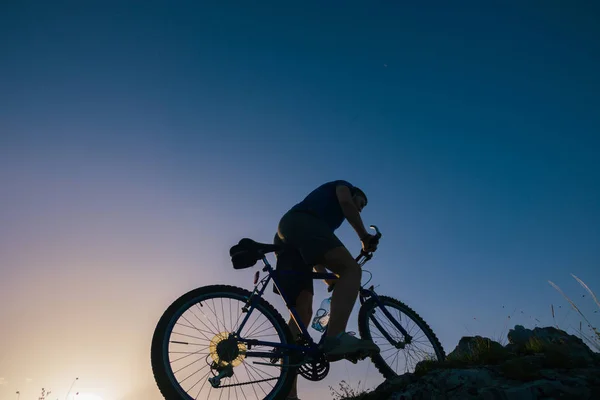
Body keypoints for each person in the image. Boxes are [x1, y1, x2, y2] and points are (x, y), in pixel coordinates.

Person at [272, 180, 380, 400]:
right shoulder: (343, 186)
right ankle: (335, 339)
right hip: (301, 224)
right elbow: (346, 204)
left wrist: (329, 280)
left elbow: (313, 252)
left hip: (287, 237)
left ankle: (287, 393)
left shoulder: (323, 220)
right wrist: (364, 237)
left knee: (302, 315)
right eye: (362, 202)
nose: (360, 207)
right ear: (355, 192)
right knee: (352, 269)